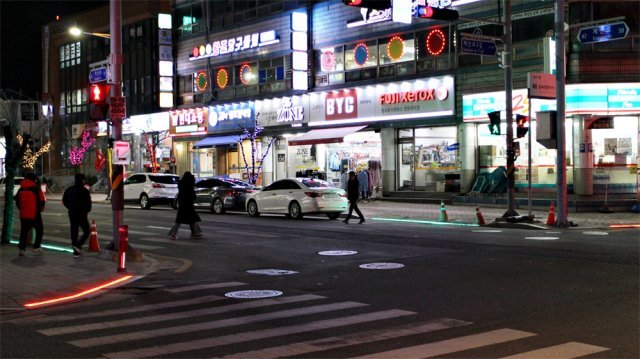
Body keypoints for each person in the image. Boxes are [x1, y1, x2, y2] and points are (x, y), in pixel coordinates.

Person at [15, 173, 46, 256]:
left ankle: (22, 249)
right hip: (35, 214)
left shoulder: (20, 189)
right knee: (39, 230)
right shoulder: (36, 189)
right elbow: (42, 201)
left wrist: (21, 209)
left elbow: (17, 201)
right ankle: (36, 247)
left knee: (24, 232)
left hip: (23, 215)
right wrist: (41, 209)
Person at [62, 173, 92, 257]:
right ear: (82, 180)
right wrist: (87, 210)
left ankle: (75, 250)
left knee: (74, 231)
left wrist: (70, 207)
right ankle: (78, 245)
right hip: (82, 214)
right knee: (87, 230)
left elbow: (64, 200)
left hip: (72, 213)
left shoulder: (69, 190)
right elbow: (88, 203)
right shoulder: (84, 191)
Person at [168, 171, 203, 240]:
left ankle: (195, 232)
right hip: (189, 205)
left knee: (183, 220)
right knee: (192, 219)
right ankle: (195, 233)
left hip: (182, 205)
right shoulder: (189, 185)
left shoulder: (182, 184)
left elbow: (181, 195)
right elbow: (192, 196)